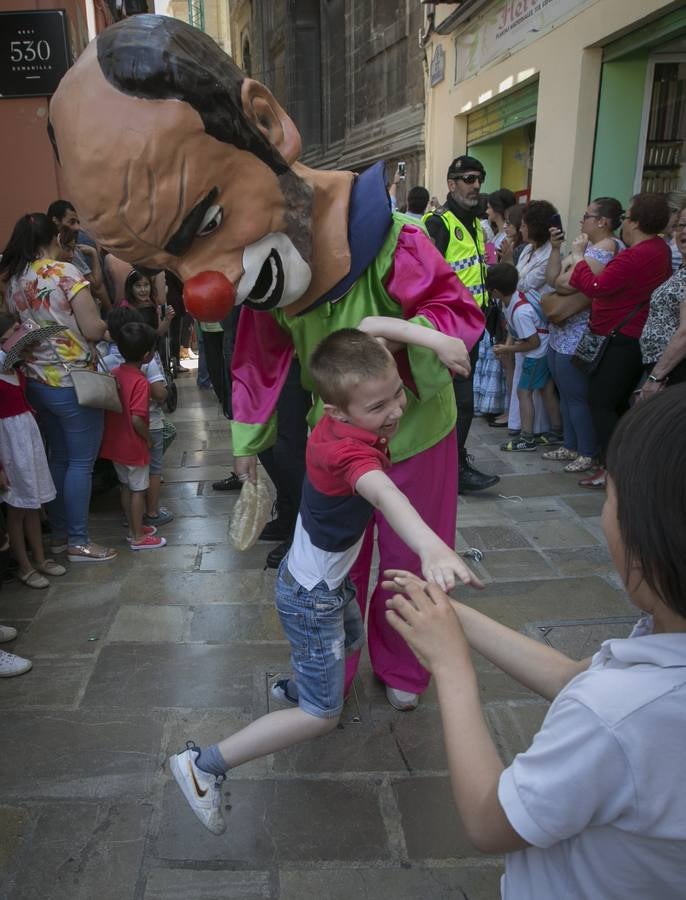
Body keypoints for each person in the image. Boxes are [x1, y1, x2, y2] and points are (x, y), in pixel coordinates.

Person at [48, 14, 485, 712]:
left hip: (415, 432)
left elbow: (459, 316)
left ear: (265, 121)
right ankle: (329, 669)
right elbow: (258, 358)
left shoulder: (397, 239)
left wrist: (410, 336)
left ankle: (404, 666)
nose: (206, 284)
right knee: (329, 565)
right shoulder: (267, 286)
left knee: (409, 559)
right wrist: (248, 449)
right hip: (335, 445)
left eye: (209, 225)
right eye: (173, 262)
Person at [168, 329, 480, 834]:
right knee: (322, 715)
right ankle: (204, 766)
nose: (396, 410)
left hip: (319, 583)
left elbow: (373, 331)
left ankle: (297, 685)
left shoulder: (336, 411)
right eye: (378, 406)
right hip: (312, 597)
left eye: (397, 392)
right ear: (337, 412)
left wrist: (427, 339)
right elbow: (386, 494)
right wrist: (431, 546)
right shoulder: (349, 454)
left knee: (349, 639)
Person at [385, 384, 686, 900]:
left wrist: (452, 667)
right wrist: (453, 618)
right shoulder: (662, 649)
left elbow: (488, 819)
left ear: (647, 539)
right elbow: (574, 676)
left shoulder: (614, 718)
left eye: (609, 495)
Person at [1, 213, 116, 563]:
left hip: (36, 383)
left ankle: (61, 537)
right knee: (81, 461)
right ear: (53, 236)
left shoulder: (15, 280)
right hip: (74, 381)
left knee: (60, 458)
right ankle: (79, 542)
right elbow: (93, 329)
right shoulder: (64, 273)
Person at [569, 192, 672, 488]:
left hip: (622, 338)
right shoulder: (656, 249)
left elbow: (595, 285)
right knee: (612, 404)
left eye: (627, 217)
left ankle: (615, 469)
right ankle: (615, 466)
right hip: (624, 335)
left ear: (636, 222)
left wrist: (578, 258)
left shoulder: (640, 253)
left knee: (601, 403)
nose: (623, 223)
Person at [424, 155, 500, 493]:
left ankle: (451, 465)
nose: (475, 185)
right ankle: (452, 471)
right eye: (467, 178)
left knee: (459, 406)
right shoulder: (438, 223)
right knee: (460, 404)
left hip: (473, 330)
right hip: (449, 331)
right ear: (451, 184)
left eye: (479, 178)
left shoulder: (475, 225)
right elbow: (425, 280)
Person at [542, 197, 624, 473]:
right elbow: (553, 279)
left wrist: (572, 265)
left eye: (587, 216)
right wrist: (556, 250)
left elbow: (569, 283)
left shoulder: (608, 247)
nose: (582, 220)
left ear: (602, 222)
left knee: (576, 396)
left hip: (578, 334)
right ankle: (570, 444)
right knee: (566, 394)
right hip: (561, 332)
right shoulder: (586, 246)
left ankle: (586, 451)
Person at [0, 314, 66, 589]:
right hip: (8, 443)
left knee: (33, 503)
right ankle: (24, 566)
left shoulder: (16, 368)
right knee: (17, 507)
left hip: (26, 436)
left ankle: (39, 558)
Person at [101, 307, 173, 527]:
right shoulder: (143, 375)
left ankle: (130, 520)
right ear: (146, 355)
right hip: (140, 435)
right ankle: (144, 522)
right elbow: (141, 414)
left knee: (125, 485)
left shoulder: (109, 367)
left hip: (116, 436)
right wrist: (148, 439)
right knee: (146, 479)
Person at [487, 264, 562, 452]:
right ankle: (557, 431)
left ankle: (527, 438)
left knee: (523, 392)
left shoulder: (521, 312)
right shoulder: (513, 299)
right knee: (546, 391)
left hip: (537, 353)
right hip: (542, 349)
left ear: (495, 291)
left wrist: (507, 348)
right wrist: (509, 346)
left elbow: (533, 342)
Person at [638, 202, 686, 399]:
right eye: (681, 225)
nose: (684, 232)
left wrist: (655, 379)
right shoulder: (681, 269)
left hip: (675, 371)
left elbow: (684, 334)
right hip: (666, 369)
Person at [48, 199, 111, 311]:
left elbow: (96, 285)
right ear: (55, 221)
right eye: (71, 222)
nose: (77, 228)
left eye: (78, 222)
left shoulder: (77, 242)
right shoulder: (75, 241)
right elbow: (97, 287)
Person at [487, 189, 517, 256]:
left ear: (497, 208)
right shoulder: (497, 234)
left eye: (489, 208)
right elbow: (490, 260)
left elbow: (493, 262)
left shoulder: (507, 238)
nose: (487, 211)